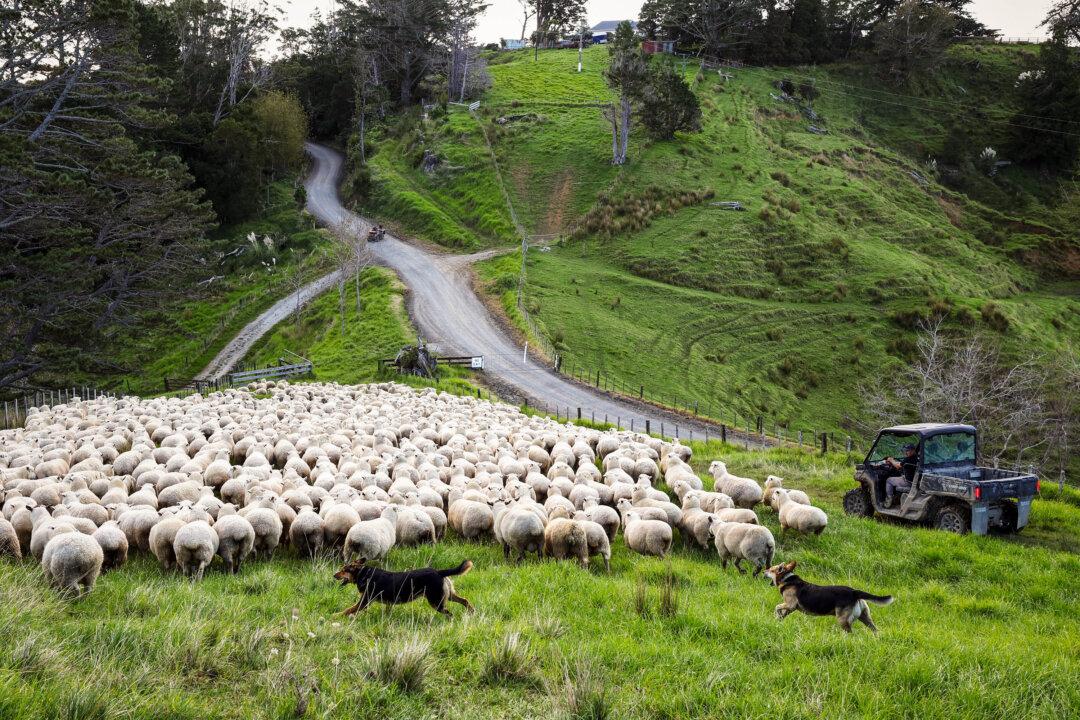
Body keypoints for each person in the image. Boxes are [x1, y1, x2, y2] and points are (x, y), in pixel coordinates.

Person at [882, 444, 918, 508]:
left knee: (889, 480)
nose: (906, 452)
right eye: (906, 451)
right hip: (914, 479)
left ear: (913, 450)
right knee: (900, 476)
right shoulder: (917, 457)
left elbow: (898, 466)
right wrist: (894, 462)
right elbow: (901, 464)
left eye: (908, 451)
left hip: (908, 482)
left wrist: (891, 460)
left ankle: (888, 501)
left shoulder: (909, 459)